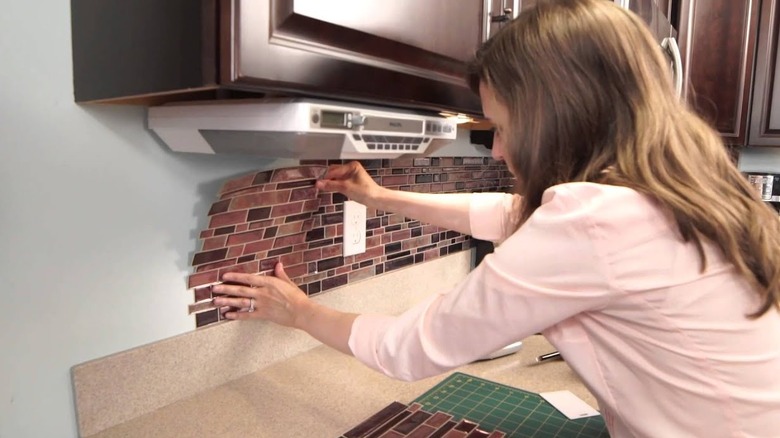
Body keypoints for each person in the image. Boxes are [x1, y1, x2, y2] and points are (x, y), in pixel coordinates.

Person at [212, 0, 780, 436]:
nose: (500, 151)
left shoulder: (598, 218)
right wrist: (379, 197)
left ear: (559, 117)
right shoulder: (682, 190)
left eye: (502, 127)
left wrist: (299, 311)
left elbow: (409, 348)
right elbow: (509, 214)